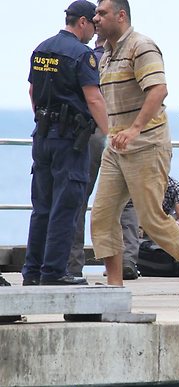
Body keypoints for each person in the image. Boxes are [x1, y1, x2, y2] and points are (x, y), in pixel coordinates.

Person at [91, 0, 179, 308]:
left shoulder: (141, 46)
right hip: (116, 148)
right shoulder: (106, 53)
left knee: (151, 216)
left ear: (121, 16)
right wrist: (114, 132)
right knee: (103, 214)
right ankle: (114, 287)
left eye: (101, 13)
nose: (95, 18)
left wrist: (134, 129)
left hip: (146, 145)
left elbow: (158, 90)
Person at [23, 0, 109, 287]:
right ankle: (55, 272)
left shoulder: (42, 48)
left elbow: (34, 91)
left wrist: (44, 121)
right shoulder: (82, 55)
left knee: (42, 207)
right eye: (93, 25)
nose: (94, 33)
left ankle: (32, 271)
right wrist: (111, 133)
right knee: (66, 206)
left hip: (43, 136)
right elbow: (93, 97)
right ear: (82, 22)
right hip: (70, 140)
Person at [68, 35, 108, 277]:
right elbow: (95, 98)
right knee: (81, 200)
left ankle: (67, 263)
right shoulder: (94, 59)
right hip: (97, 132)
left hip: (72, 133)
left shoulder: (80, 56)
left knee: (70, 200)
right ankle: (72, 264)